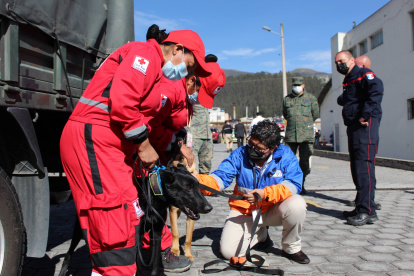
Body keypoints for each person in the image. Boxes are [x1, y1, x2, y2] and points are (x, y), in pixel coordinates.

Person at [59, 24, 212, 275]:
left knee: (129, 213)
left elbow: (147, 120)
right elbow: (123, 101)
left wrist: (171, 144)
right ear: (176, 49)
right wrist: (143, 145)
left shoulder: (156, 72)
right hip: (95, 140)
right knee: (114, 219)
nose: (188, 72)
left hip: (110, 146)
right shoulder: (145, 54)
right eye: (189, 65)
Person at [196, 120, 310, 265]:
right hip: (244, 211)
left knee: (297, 204)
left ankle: (291, 248)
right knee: (229, 253)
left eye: (259, 148)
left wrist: (265, 194)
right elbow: (219, 178)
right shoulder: (239, 154)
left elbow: (294, 184)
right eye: (251, 144)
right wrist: (196, 180)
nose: (252, 149)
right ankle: (261, 235)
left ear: (273, 148)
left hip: (272, 210)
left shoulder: (286, 155)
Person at [335, 50, 383, 226]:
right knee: (356, 168)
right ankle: (362, 205)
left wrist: (365, 114)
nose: (339, 64)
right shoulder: (348, 80)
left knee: (364, 168)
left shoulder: (363, 74)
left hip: (365, 127)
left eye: (342, 61)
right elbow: (352, 98)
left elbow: (377, 90)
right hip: (354, 126)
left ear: (352, 60)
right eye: (336, 62)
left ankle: (367, 211)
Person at [186, 55, 226, 173]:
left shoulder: (207, 91)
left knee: (206, 163)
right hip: (193, 134)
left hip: (207, 135)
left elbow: (214, 80)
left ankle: (204, 187)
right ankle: (191, 189)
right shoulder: (192, 91)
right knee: (190, 165)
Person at [283, 77, 319, 195]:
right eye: (294, 84)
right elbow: (285, 114)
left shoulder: (311, 99)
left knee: (304, 162)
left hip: (306, 135)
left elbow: (315, 114)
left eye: (299, 84)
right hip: (291, 136)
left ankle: (301, 184)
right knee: (288, 161)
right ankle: (289, 185)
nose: (296, 87)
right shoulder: (287, 99)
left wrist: (305, 124)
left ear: (303, 85)